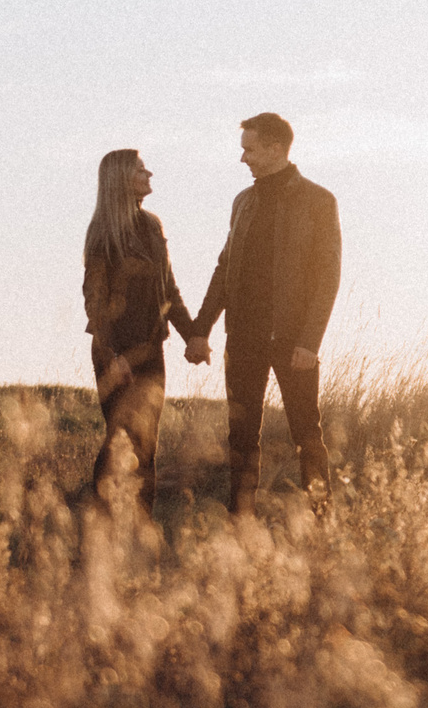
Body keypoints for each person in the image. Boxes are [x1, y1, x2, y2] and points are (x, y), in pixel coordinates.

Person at [184, 111, 342, 513]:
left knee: (307, 433)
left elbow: (328, 277)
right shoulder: (243, 201)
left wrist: (309, 342)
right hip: (242, 337)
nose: (243, 160)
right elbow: (225, 268)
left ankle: (321, 518)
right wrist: (201, 329)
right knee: (241, 437)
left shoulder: (318, 201)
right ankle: (241, 523)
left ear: (276, 148)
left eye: (250, 150)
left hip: (293, 342)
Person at [81, 148, 198, 513]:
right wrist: (113, 356)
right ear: (121, 180)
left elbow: (169, 289)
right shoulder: (104, 233)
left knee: (147, 445)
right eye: (142, 170)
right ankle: (96, 525)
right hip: (116, 353)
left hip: (150, 350)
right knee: (121, 441)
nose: (150, 175)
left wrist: (193, 334)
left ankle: (142, 531)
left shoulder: (151, 226)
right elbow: (95, 301)